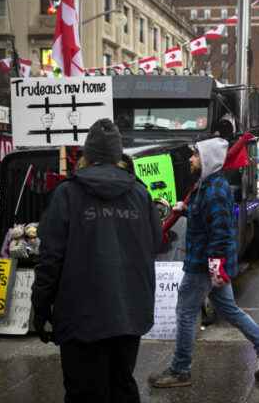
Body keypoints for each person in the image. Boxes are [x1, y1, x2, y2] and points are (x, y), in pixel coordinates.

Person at [31, 119, 162, 402]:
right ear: (119, 156)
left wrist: (40, 308)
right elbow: (156, 243)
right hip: (129, 312)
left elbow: (50, 258)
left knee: (84, 392)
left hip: (80, 317)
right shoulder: (140, 194)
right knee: (122, 386)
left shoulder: (68, 193)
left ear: (86, 155)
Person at [148, 138, 259, 388]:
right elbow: (208, 219)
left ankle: (180, 370)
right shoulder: (207, 185)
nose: (191, 159)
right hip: (209, 263)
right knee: (229, 309)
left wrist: (215, 266)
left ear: (207, 160)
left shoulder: (214, 190)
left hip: (203, 264)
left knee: (186, 312)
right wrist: (185, 209)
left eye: (195, 155)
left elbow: (222, 231)